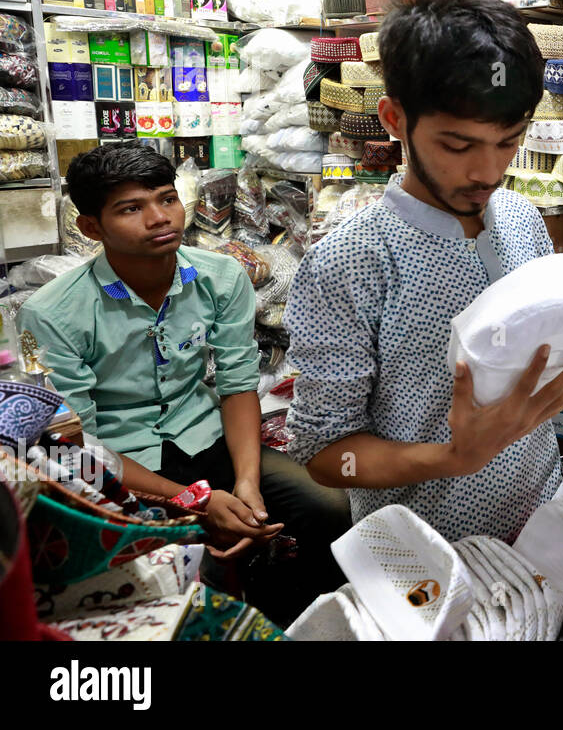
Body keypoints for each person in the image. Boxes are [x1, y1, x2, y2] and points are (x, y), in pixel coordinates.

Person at [284, 0, 563, 543]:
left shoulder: (520, 218)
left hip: (540, 531)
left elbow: (529, 360)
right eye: (458, 146)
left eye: (508, 141)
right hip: (422, 558)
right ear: (394, 119)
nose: (487, 171)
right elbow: (326, 456)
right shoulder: (348, 264)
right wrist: (452, 456)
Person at [18, 144, 350, 625]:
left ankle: (289, 621)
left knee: (325, 505)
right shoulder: (51, 313)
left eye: (166, 199)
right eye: (132, 208)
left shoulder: (220, 276)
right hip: (119, 460)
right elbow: (79, 443)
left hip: (204, 436)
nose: (159, 218)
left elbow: (237, 385)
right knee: (193, 566)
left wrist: (247, 482)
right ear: (91, 227)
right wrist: (192, 501)